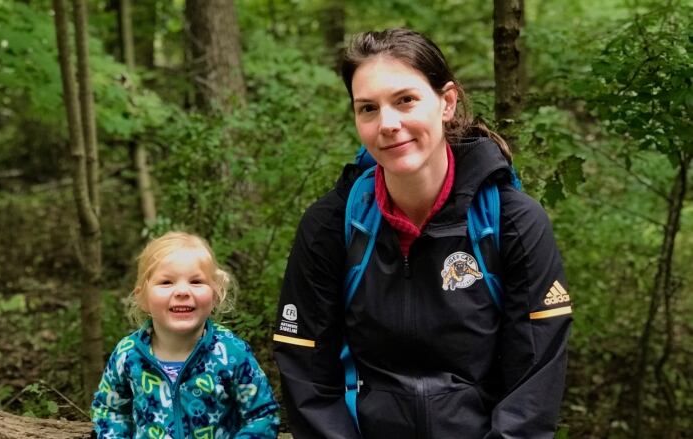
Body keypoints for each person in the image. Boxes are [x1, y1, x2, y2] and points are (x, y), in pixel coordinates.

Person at [273, 28, 572, 438]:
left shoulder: (512, 222)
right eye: (368, 109)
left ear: (446, 102)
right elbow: (305, 365)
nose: (388, 124)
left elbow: (534, 383)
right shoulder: (332, 224)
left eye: (405, 100)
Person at [92, 231, 280, 439]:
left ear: (215, 295)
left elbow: (262, 415)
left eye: (196, 281)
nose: (182, 291)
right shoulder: (128, 355)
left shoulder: (231, 353)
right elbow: (108, 409)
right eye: (166, 282)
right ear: (143, 298)